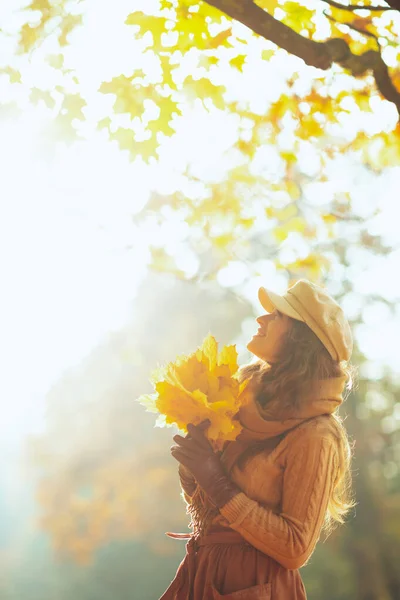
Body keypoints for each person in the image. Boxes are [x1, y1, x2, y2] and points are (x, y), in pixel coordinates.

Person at [160, 279, 357, 600]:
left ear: (301, 339)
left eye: (278, 315)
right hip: (204, 572)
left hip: (256, 586)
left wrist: (216, 481)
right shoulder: (239, 400)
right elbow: (209, 509)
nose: (261, 319)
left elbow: (296, 548)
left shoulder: (317, 434)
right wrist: (193, 466)